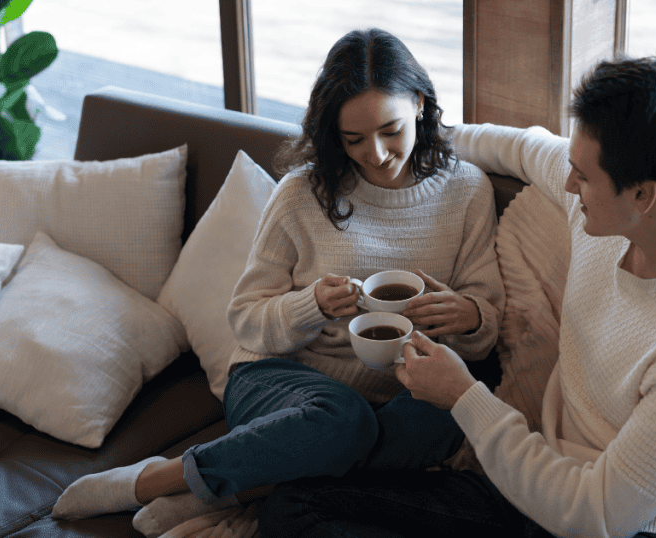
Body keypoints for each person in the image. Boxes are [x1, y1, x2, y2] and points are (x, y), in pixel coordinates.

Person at [257, 55, 656, 538]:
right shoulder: (628, 200)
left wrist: (464, 397)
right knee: (292, 509)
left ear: (643, 196)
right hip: (541, 479)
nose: (568, 185)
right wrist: (402, 138)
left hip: (634, 525)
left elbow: (595, 515)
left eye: (581, 176)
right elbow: (523, 146)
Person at [50, 28, 504, 534]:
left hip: (400, 394)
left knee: (452, 412)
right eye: (353, 139)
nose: (375, 153)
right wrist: (310, 305)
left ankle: (244, 484)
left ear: (419, 103)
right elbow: (246, 321)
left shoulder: (467, 191)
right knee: (342, 419)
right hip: (280, 383)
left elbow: (486, 319)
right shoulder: (301, 194)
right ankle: (156, 479)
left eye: (390, 130)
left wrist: (470, 315)